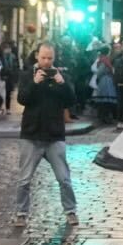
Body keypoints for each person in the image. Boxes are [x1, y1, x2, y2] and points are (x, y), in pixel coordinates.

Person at [14, 43, 80, 227]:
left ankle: (71, 211)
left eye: (50, 58)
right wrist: (34, 83)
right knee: (24, 179)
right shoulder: (27, 75)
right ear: (37, 56)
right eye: (43, 57)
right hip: (31, 134)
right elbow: (22, 99)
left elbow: (72, 101)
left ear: (54, 58)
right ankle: (21, 213)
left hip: (54, 135)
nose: (46, 61)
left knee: (64, 178)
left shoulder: (60, 76)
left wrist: (63, 84)